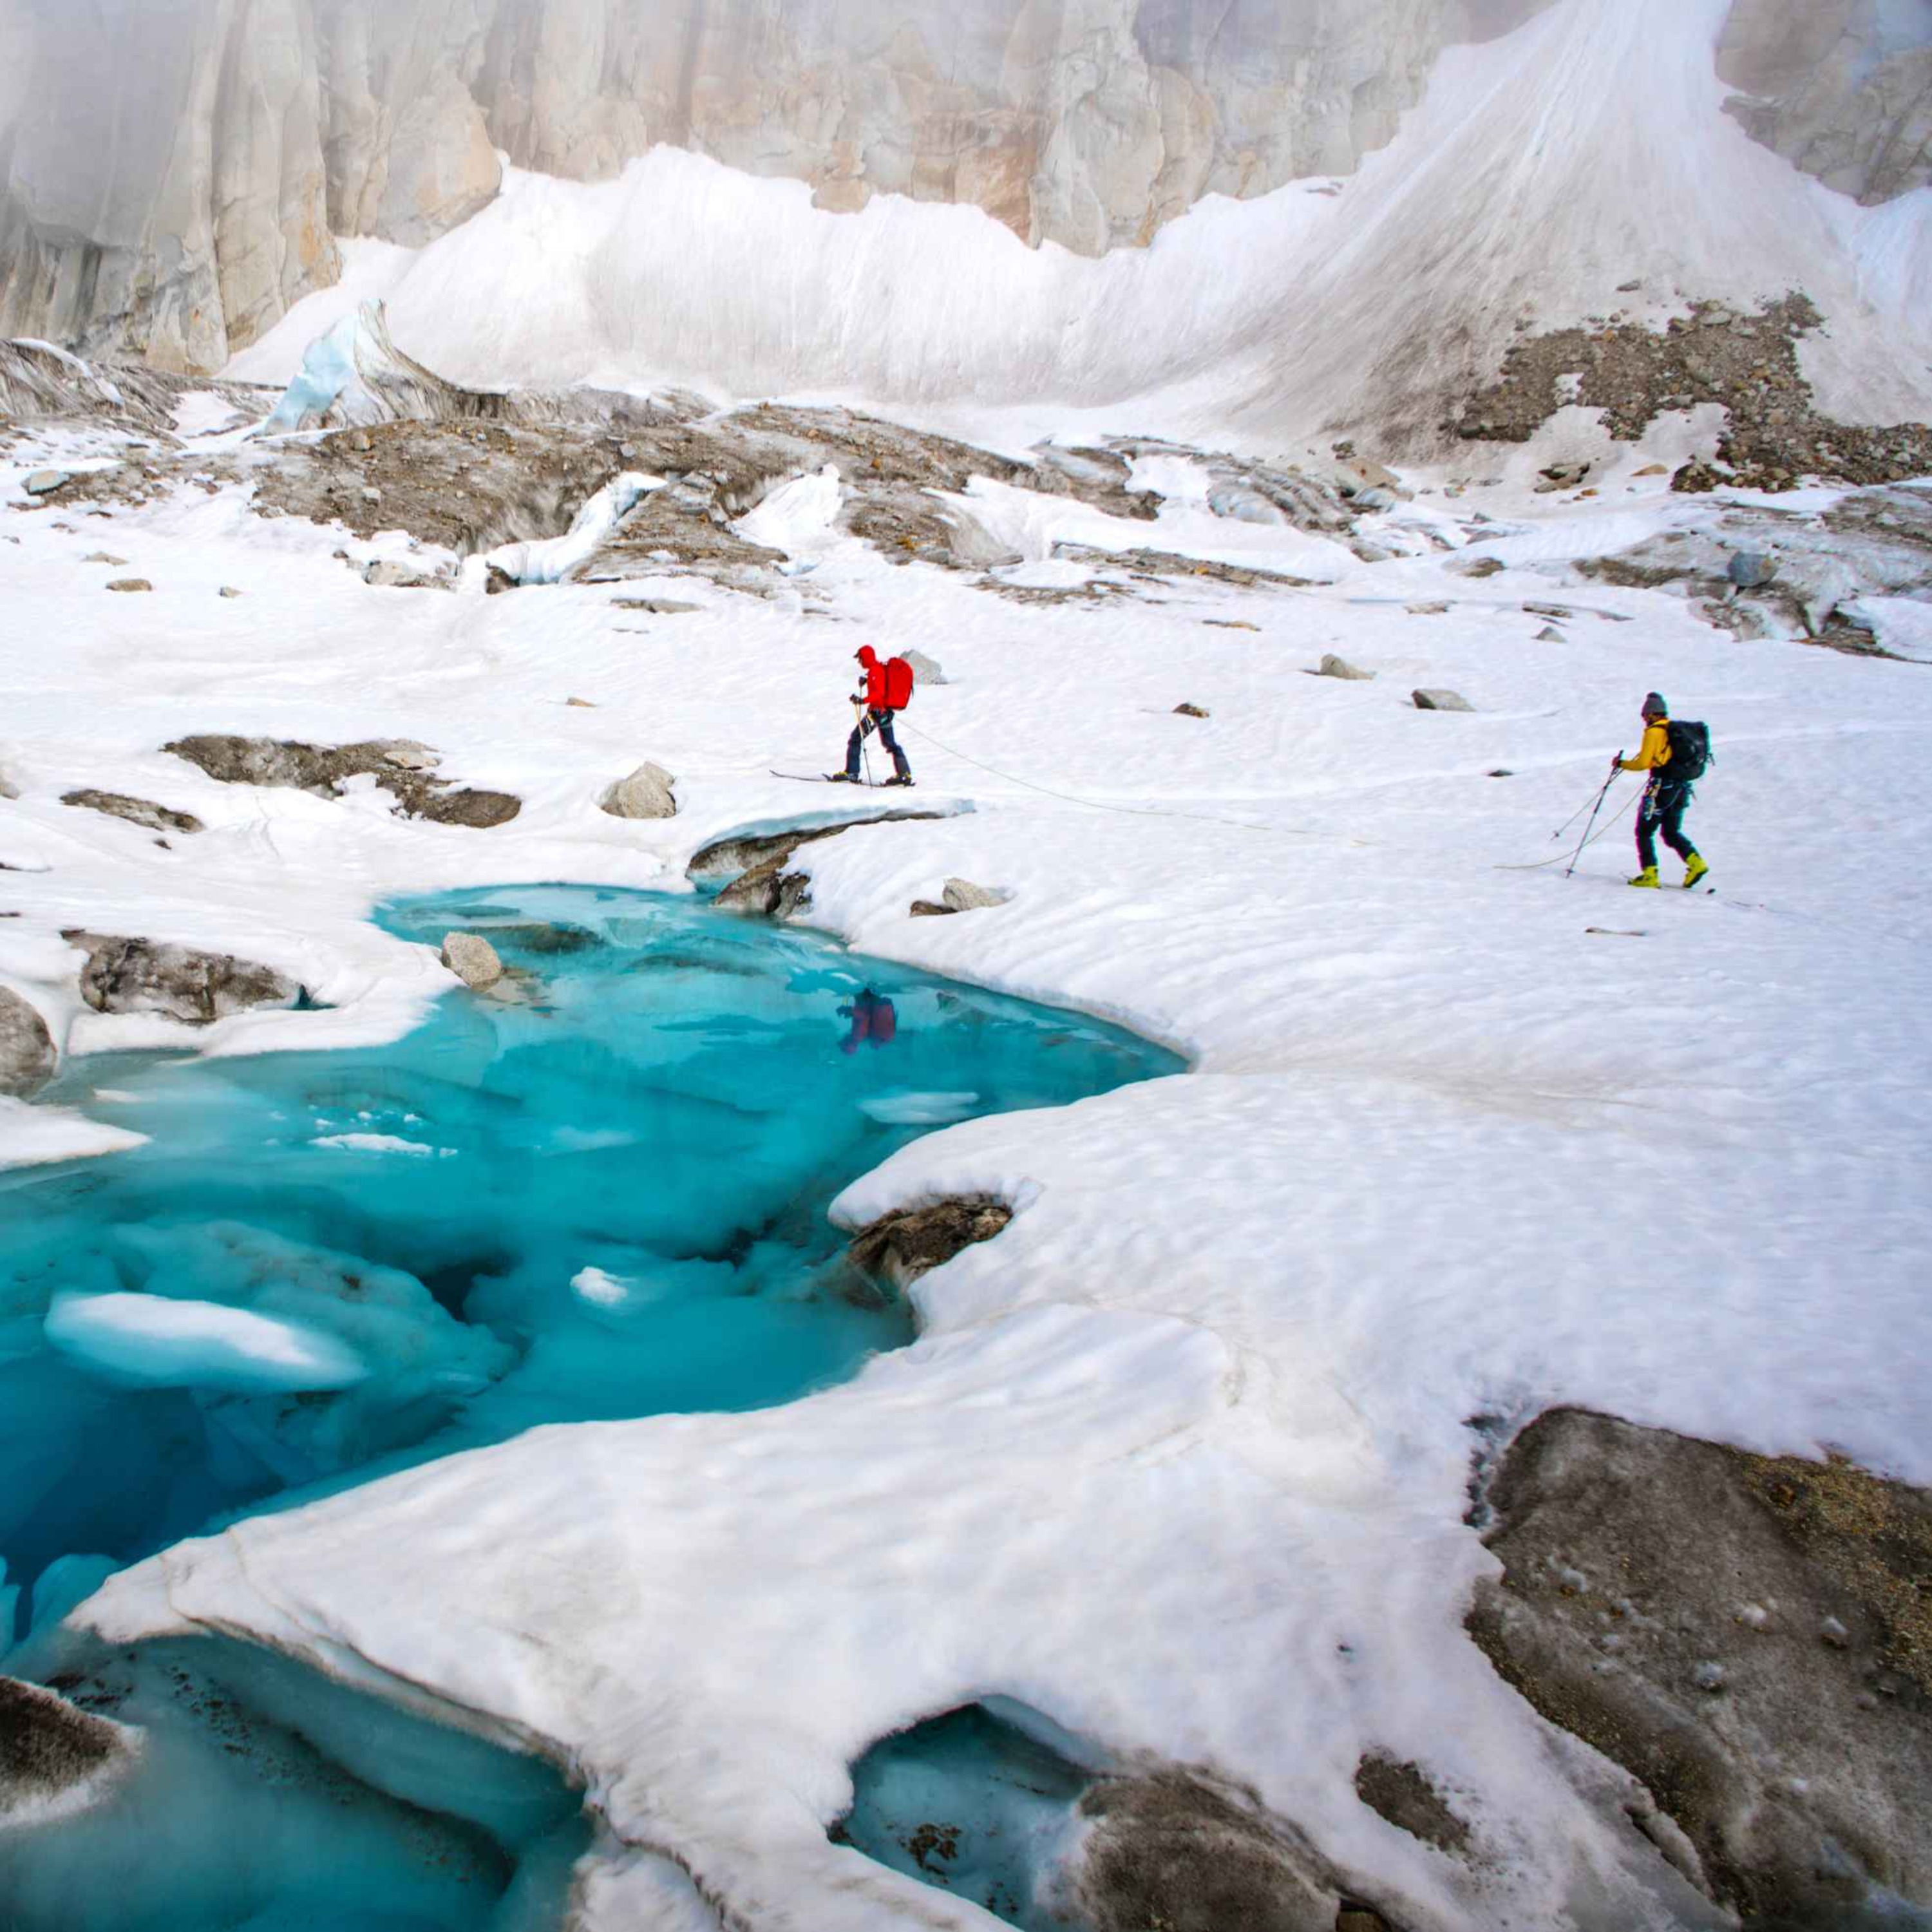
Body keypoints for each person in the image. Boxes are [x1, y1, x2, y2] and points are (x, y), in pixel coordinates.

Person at [1616, 692, 1709, 889]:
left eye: (1644, 716)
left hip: (1661, 789)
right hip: (1681, 787)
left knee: (1644, 831)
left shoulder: (1654, 732)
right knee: (1671, 831)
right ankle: (1696, 863)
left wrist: (1621, 763)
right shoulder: (1673, 730)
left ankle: (1650, 874)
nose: (1643, 720)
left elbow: (1643, 763)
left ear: (1651, 714)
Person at [833, 646, 913, 787]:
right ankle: (904, 774)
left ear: (866, 657)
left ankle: (852, 773)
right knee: (890, 743)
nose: (859, 662)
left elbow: (879, 693)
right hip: (884, 714)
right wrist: (867, 679)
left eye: (860, 658)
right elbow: (878, 683)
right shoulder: (877, 669)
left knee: (855, 739)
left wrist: (861, 700)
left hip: (877, 714)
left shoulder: (876, 671)